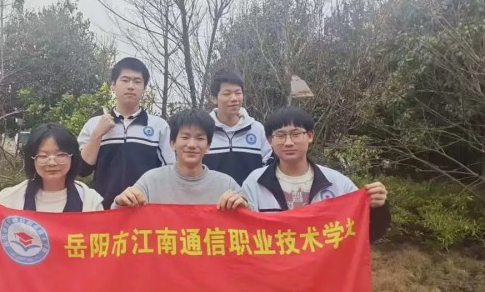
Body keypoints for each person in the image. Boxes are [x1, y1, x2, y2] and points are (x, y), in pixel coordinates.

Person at [0, 123, 104, 262]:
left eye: (60, 155)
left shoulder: (90, 202)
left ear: (73, 157)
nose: (52, 162)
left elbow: (103, 255)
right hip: (21, 283)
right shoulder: (9, 200)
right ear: (32, 159)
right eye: (43, 156)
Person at [242, 106, 390, 241]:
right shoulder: (255, 182)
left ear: (310, 136)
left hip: (325, 263)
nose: (288, 142)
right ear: (270, 140)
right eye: (280, 135)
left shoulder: (337, 183)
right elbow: (244, 233)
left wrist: (377, 207)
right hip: (275, 261)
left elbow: (367, 233)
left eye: (296, 134)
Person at [78, 58, 174, 209]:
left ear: (144, 88)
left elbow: (170, 171)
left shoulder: (159, 126)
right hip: (103, 210)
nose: (131, 86)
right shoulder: (94, 124)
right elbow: (82, 170)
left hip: (145, 209)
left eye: (137, 81)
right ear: (113, 85)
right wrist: (97, 134)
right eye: (125, 80)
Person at [114, 108, 247, 210]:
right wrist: (121, 203)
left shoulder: (226, 185)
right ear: (172, 143)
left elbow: (250, 220)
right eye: (185, 137)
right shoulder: (151, 181)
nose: (192, 145)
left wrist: (242, 205)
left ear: (208, 146)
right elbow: (119, 218)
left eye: (200, 138)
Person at [203, 69, 273, 184]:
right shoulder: (204, 131)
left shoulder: (257, 129)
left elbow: (269, 167)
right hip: (213, 195)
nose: (234, 99)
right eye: (227, 94)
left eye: (238, 93)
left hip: (250, 195)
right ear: (214, 98)